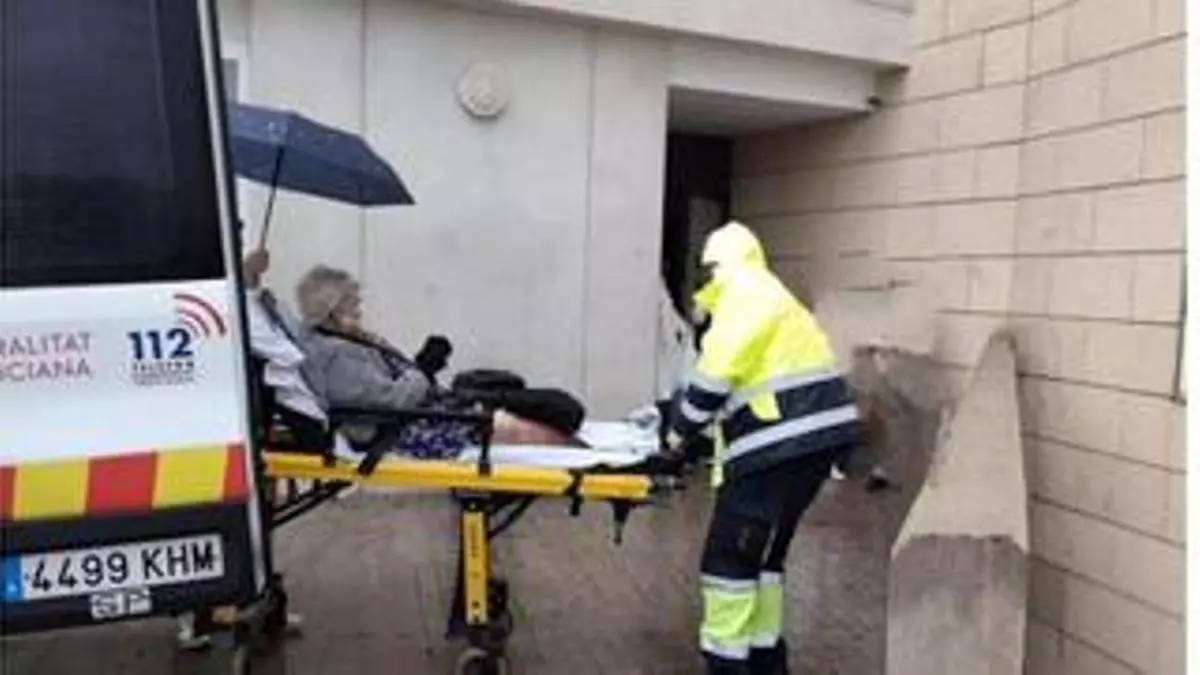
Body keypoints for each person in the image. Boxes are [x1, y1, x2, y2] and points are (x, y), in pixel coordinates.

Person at [663, 221, 861, 675]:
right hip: (814, 446)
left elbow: (713, 379)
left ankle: (726, 664)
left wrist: (676, 436)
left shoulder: (742, 296)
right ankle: (766, 659)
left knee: (728, 562)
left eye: (707, 271)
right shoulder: (775, 296)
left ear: (716, 267)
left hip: (777, 450)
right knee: (765, 560)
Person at [294, 265, 579, 454]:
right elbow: (392, 402)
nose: (359, 311)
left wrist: (421, 367)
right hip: (396, 431)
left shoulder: (351, 340)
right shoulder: (334, 355)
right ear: (330, 310)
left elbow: (401, 377)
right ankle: (584, 459)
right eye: (352, 304)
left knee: (527, 411)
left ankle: (578, 449)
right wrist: (424, 368)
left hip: (416, 414)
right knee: (508, 427)